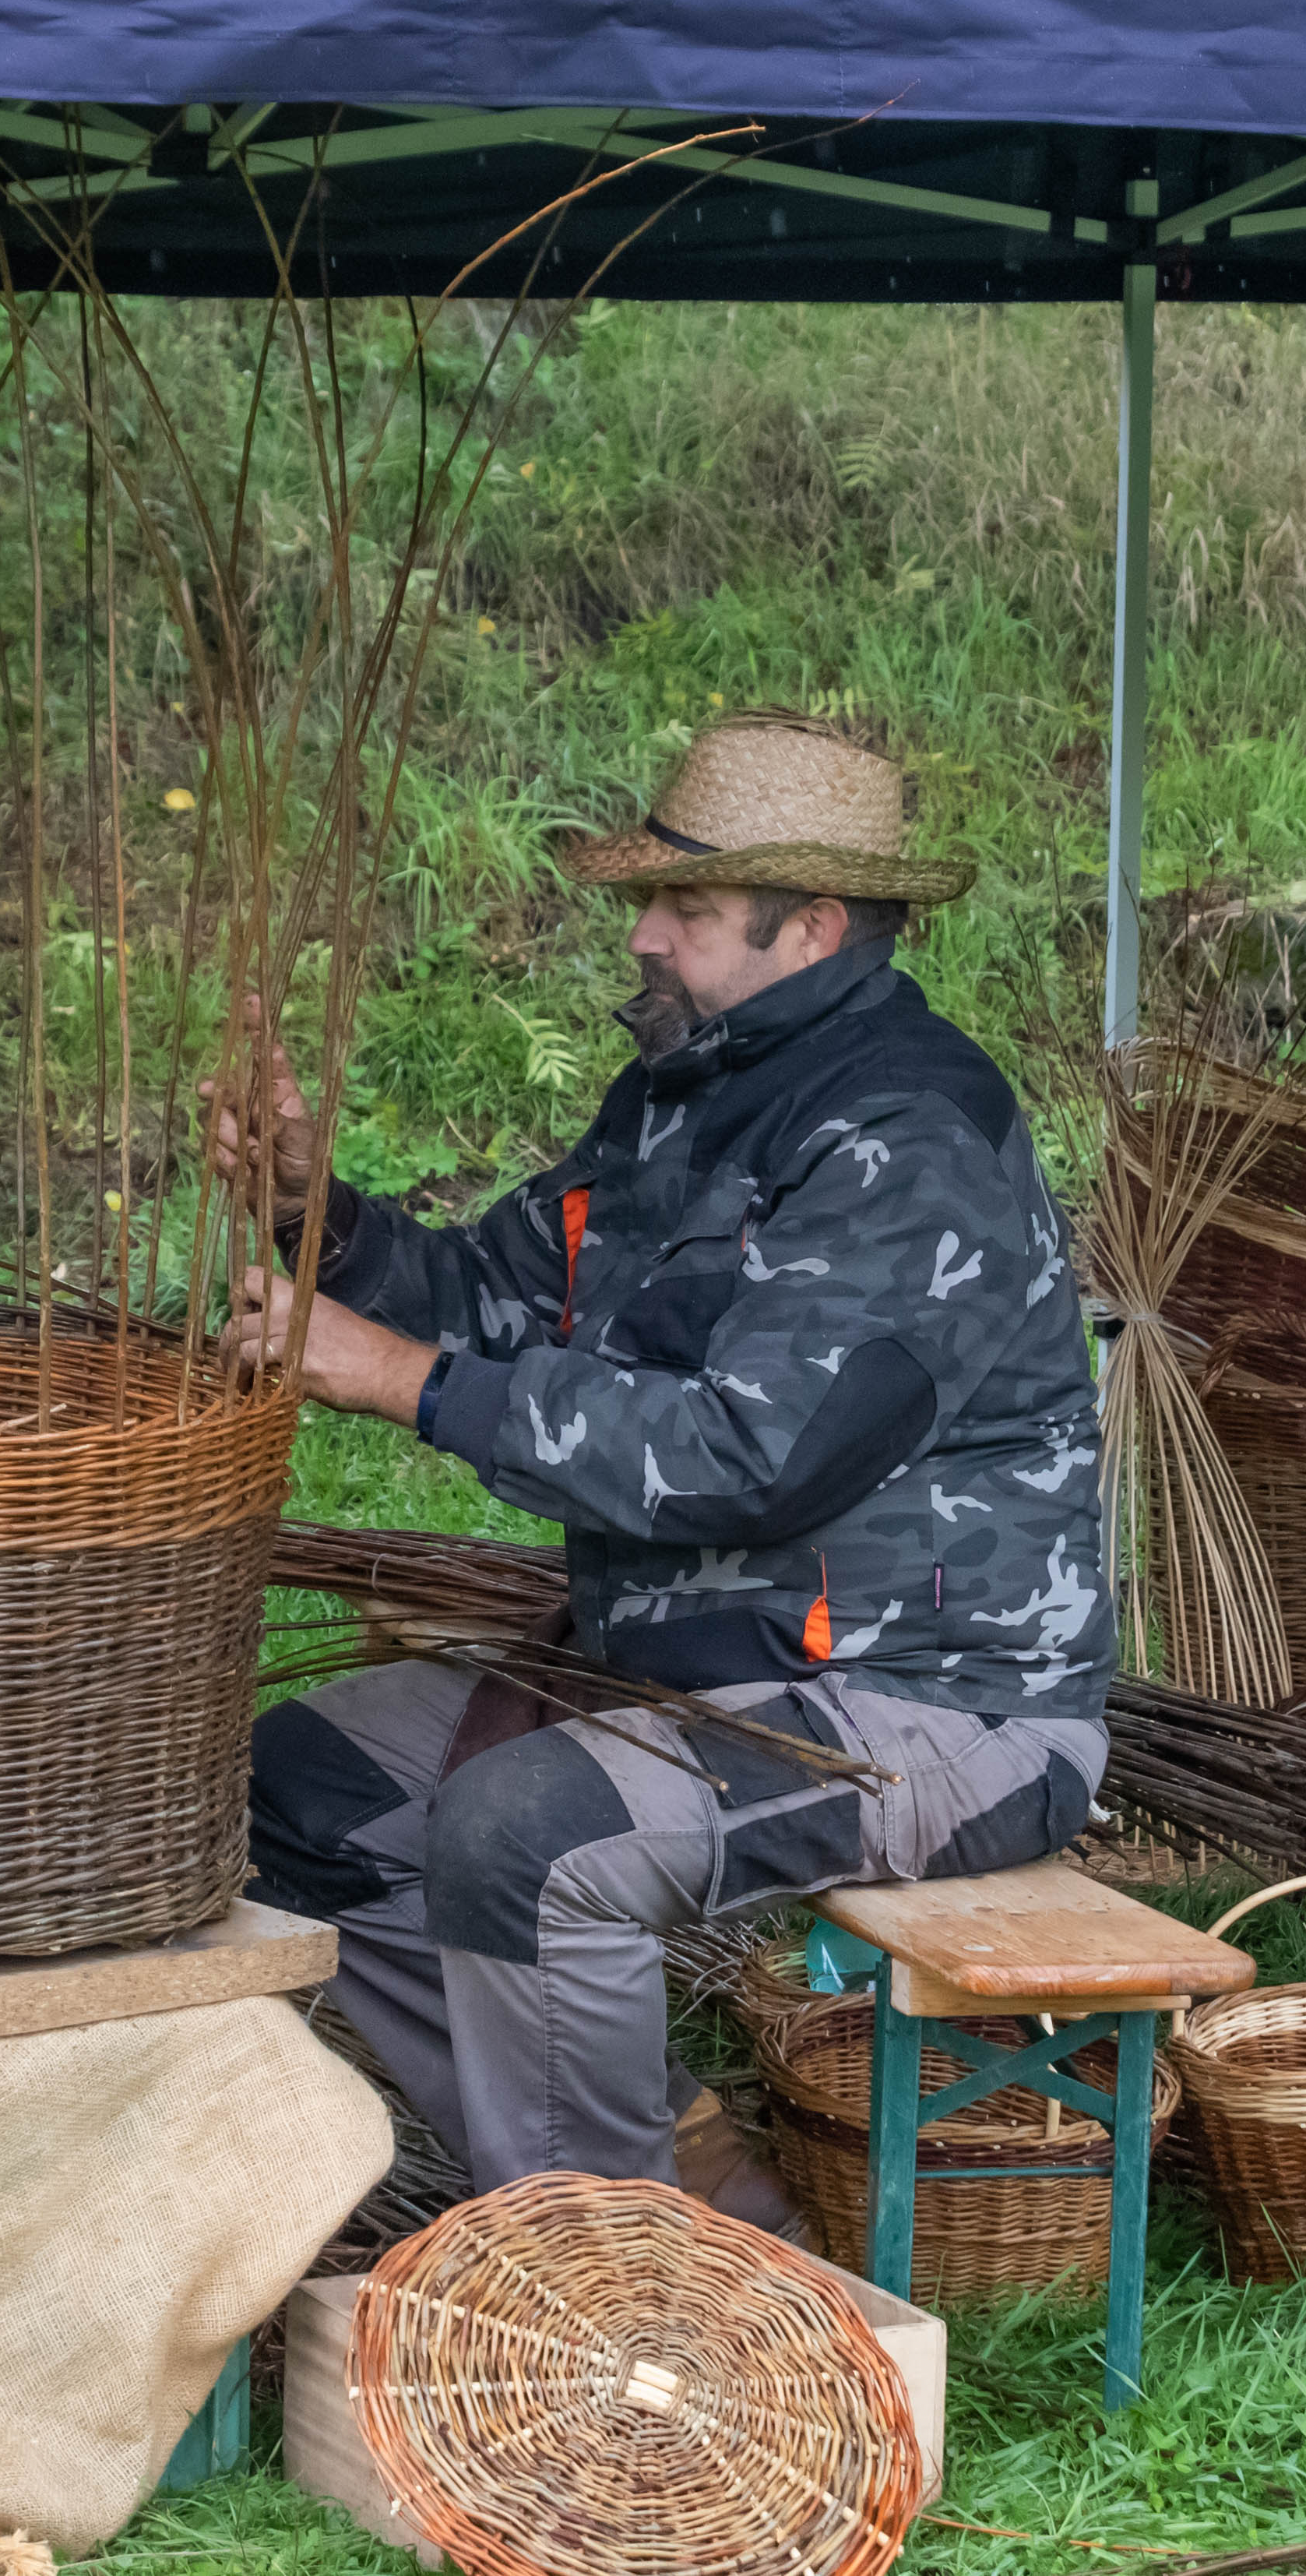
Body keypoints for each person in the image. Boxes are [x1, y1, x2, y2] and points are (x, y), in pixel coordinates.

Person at [217, 710, 1111, 2206]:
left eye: (685, 909)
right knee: (292, 1793)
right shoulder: (680, 1099)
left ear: (812, 924)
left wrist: (401, 1383)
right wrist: (319, 1217)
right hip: (700, 1666)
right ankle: (646, 2191)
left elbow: (745, 1457)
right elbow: (492, 1293)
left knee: (526, 1835)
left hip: (931, 1699)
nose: (642, 934)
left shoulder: (909, 1136)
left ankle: (625, 2287)